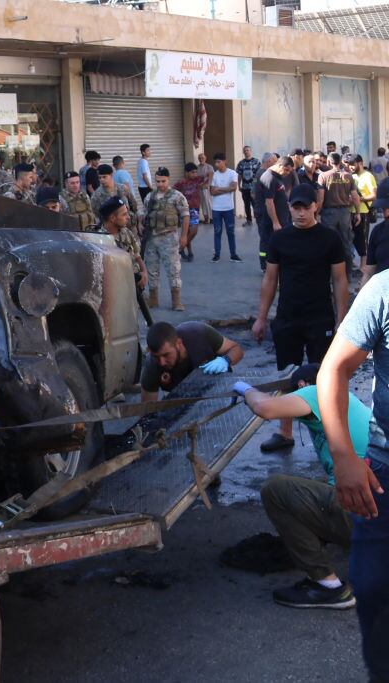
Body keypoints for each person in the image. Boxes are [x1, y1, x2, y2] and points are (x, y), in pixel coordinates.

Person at [235, 363, 368, 609]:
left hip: (370, 514)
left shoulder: (318, 392)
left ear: (301, 386)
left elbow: (264, 407)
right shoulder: (348, 403)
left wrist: (245, 390)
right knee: (310, 489)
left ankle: (326, 586)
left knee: (276, 490)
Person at [316, 277, 389, 683]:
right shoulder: (384, 290)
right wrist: (343, 457)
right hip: (383, 476)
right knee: (373, 584)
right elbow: (334, 369)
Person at [252, 184, 349, 453]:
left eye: (306, 207)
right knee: (288, 375)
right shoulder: (280, 239)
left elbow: (340, 280)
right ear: (290, 208)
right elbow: (270, 279)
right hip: (288, 317)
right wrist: (261, 317)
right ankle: (285, 433)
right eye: (296, 207)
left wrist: (342, 320)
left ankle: (334, 431)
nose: (301, 212)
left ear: (316, 206)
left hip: (320, 318)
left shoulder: (329, 238)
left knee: (325, 374)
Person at [139, 321, 244, 401]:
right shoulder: (152, 364)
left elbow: (236, 349)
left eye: (166, 355)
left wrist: (225, 360)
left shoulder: (199, 334)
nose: (162, 362)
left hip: (218, 390)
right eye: (157, 357)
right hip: (183, 400)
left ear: (178, 344)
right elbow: (148, 409)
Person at [142, 167, 190, 311]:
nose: (160, 184)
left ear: (168, 180)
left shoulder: (177, 196)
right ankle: (153, 299)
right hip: (151, 238)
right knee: (151, 269)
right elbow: (144, 214)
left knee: (173, 269)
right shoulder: (150, 197)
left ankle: (176, 301)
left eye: (163, 181)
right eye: (158, 181)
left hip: (169, 237)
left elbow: (185, 215)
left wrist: (184, 236)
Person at [99, 196, 149, 322]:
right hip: (114, 290)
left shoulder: (126, 232)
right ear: (112, 218)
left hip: (133, 284)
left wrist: (144, 272)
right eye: (124, 214)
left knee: (132, 321)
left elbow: (137, 255)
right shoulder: (99, 238)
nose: (128, 217)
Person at [317, 152, 362, 270]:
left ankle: (329, 272)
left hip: (329, 213)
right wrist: (357, 213)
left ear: (329, 162)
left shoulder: (323, 176)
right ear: (340, 162)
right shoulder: (348, 176)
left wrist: (316, 214)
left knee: (328, 242)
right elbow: (355, 196)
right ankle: (347, 272)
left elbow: (320, 198)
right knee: (346, 242)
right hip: (345, 213)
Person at [254, 155, 294, 273]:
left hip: (282, 218)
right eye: (286, 170)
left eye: (289, 171)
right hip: (269, 219)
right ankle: (266, 266)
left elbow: (279, 197)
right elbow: (269, 202)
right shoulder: (269, 177)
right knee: (268, 242)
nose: (287, 173)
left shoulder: (278, 177)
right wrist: (275, 222)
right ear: (280, 165)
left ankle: (278, 265)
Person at [209, 152, 241, 262]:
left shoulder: (232, 173)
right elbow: (212, 192)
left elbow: (233, 188)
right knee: (217, 231)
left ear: (224, 161)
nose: (217, 164)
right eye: (216, 162)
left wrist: (219, 189)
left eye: (219, 162)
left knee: (230, 232)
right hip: (216, 209)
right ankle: (216, 254)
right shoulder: (214, 174)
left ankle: (233, 254)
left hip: (228, 208)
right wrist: (226, 188)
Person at [351, 154, 377, 274]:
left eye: (353, 164)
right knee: (350, 240)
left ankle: (363, 268)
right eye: (349, 164)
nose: (350, 167)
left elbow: (374, 195)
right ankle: (353, 265)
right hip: (349, 212)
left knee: (362, 241)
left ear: (360, 163)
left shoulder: (368, 176)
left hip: (363, 212)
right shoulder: (350, 176)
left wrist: (359, 199)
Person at [174, 163, 205, 261]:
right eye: (192, 172)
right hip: (184, 210)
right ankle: (189, 252)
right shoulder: (181, 183)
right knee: (186, 232)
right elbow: (173, 192)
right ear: (186, 173)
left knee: (194, 231)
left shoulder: (197, 180)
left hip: (194, 209)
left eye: (196, 172)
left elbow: (210, 174)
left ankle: (181, 248)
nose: (195, 174)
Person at [90, 164, 138, 228]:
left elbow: (134, 206)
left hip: (128, 227)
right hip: (110, 230)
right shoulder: (96, 196)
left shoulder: (123, 189)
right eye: (99, 177)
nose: (102, 180)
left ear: (111, 175)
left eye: (104, 177)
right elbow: (96, 216)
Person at [361, 178, 389, 286]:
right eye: (383, 207)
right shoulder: (378, 231)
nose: (386, 213)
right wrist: (361, 299)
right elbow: (369, 272)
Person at [236, 146, 262, 227]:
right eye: (245, 151)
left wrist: (255, 186)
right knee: (246, 204)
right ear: (243, 152)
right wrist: (239, 185)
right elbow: (239, 175)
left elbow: (257, 175)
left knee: (255, 204)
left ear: (251, 151)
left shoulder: (256, 162)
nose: (246, 152)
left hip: (253, 188)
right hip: (245, 188)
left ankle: (259, 220)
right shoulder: (241, 163)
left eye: (248, 150)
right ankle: (249, 220)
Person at [197, 152, 214, 224]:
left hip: (206, 188)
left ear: (205, 158)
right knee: (203, 204)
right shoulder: (197, 167)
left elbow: (211, 177)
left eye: (202, 158)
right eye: (200, 158)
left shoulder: (209, 167)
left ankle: (212, 218)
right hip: (199, 188)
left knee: (209, 203)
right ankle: (206, 219)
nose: (201, 159)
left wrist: (208, 185)